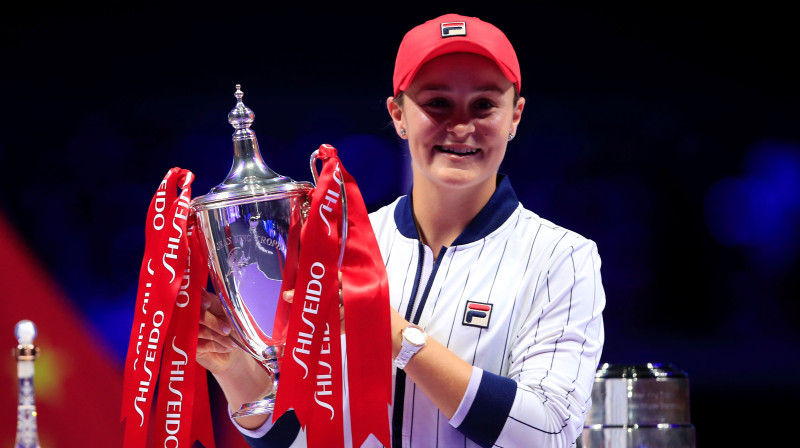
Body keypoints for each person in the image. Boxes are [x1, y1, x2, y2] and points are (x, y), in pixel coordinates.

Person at [197, 12, 606, 448]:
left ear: (515, 117)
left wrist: (395, 337)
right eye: (437, 103)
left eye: (485, 104)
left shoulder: (563, 257)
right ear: (398, 115)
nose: (462, 126)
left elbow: (549, 430)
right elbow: (310, 437)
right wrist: (233, 367)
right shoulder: (339, 249)